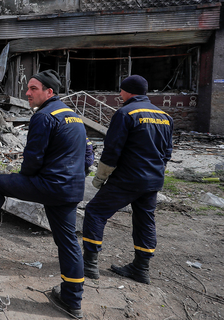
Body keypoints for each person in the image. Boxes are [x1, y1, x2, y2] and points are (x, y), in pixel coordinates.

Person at [0, 69, 89, 318]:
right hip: (71, 188)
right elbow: (88, 155)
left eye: (33, 88)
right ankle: (72, 300)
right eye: (28, 88)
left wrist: (26, 178)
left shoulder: (44, 116)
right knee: (68, 242)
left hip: (50, 185)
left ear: (49, 92)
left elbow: (33, 157)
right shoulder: (74, 116)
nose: (27, 93)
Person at [82, 75, 173, 285]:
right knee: (145, 220)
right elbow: (167, 152)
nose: (119, 95)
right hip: (153, 180)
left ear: (128, 91)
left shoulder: (125, 113)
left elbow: (112, 149)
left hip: (128, 179)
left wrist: (100, 178)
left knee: (95, 212)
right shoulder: (165, 116)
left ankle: (89, 264)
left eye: (121, 91)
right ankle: (141, 268)